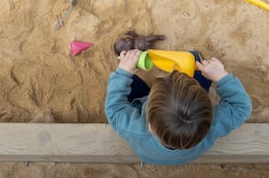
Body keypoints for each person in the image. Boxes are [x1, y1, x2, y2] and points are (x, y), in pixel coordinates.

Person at [105, 49, 252, 165]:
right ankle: (195, 73)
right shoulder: (214, 124)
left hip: (150, 155)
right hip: (188, 154)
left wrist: (123, 73)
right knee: (195, 63)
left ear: (150, 127)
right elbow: (241, 107)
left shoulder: (134, 128)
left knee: (131, 82)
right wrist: (221, 76)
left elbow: (114, 108)